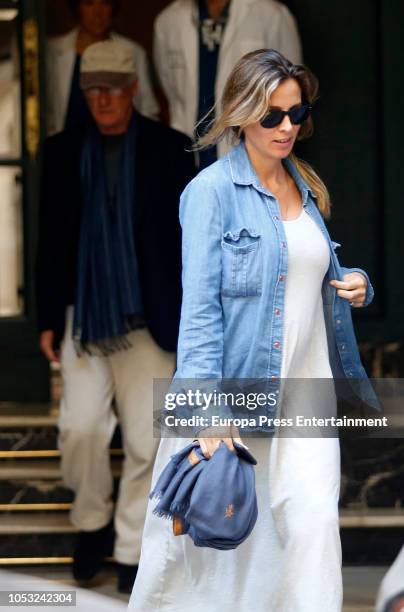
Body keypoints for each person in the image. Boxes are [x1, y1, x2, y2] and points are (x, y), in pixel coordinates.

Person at [129, 49, 379, 611]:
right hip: (236, 394)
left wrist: (355, 281)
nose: (288, 127)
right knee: (228, 552)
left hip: (308, 394)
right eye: (273, 115)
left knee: (314, 529)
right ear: (243, 114)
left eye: (297, 113)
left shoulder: (306, 185)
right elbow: (199, 309)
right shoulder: (211, 193)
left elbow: (307, 271)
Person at [36, 40, 195, 594]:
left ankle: (130, 546)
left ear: (132, 91)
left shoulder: (170, 150)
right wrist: (47, 318)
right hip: (85, 316)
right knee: (79, 429)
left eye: (112, 89)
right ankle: (91, 523)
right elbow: (50, 242)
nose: (102, 99)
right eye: (92, 89)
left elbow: (184, 243)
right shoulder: (60, 151)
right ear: (84, 94)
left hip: (150, 317)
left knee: (149, 442)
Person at [153, 0, 302, 167]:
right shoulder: (168, 20)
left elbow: (290, 92)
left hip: (253, 156)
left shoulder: (272, 15)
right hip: (188, 158)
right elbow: (168, 85)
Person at [46, 0, 159, 135]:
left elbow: (147, 111)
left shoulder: (133, 52)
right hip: (64, 149)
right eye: (89, 3)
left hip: (120, 149)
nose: (97, 13)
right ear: (77, 8)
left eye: (105, 3)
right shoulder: (51, 51)